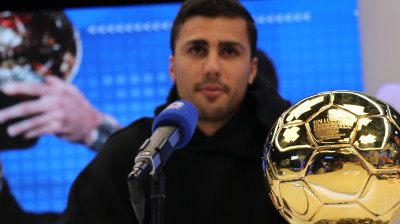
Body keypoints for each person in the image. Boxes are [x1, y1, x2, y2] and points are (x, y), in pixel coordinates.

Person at [56, 0, 291, 223]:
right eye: (197, 49)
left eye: (229, 51)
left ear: (252, 70)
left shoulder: (292, 155)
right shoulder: (128, 159)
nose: (212, 68)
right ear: (172, 67)